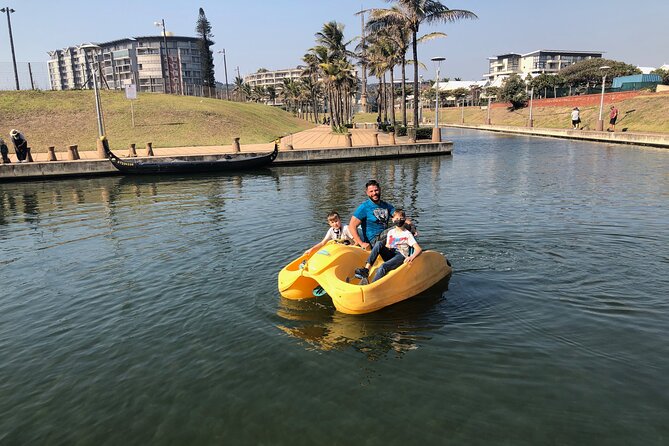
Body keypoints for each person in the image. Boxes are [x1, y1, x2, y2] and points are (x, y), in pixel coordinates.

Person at [354, 209, 422, 283]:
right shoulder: (391, 232)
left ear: (404, 220)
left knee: (383, 266)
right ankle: (366, 270)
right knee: (379, 243)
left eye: (401, 218)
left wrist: (411, 257)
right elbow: (388, 245)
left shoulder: (407, 234)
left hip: (401, 255)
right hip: (391, 253)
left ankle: (373, 286)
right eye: (396, 218)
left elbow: (418, 249)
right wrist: (386, 247)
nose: (399, 220)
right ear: (392, 220)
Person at [349, 179, 395, 250]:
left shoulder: (386, 206)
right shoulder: (364, 207)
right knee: (396, 229)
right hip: (373, 241)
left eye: (376, 190)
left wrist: (411, 226)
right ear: (367, 193)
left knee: (403, 225)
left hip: (385, 238)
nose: (374, 193)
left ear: (380, 190)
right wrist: (361, 243)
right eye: (371, 191)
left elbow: (399, 216)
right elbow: (352, 226)